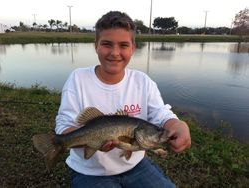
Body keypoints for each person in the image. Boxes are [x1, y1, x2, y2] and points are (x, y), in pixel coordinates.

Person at [55, 10, 191, 188]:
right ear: (95, 45)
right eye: (106, 44)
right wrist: (83, 140)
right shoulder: (78, 79)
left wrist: (178, 125)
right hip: (90, 172)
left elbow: (161, 114)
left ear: (133, 48)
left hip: (136, 166)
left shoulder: (143, 82)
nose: (114, 52)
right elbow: (64, 123)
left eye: (123, 45)